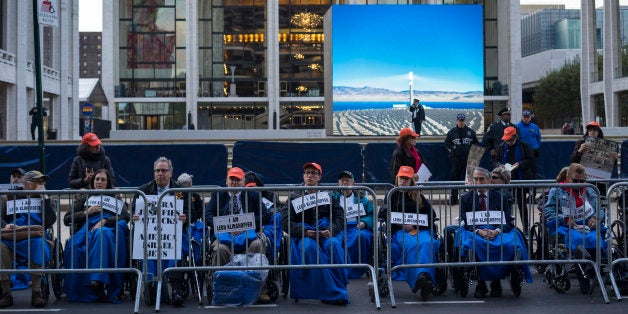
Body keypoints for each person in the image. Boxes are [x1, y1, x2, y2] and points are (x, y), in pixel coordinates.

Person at [457, 167, 532, 299]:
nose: (478, 182)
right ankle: (481, 284)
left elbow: (507, 220)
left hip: (497, 229)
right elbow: (466, 221)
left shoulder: (500, 197)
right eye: (475, 179)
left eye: (481, 179)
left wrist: (496, 231)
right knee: (476, 245)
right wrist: (479, 231)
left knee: (508, 245)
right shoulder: (465, 198)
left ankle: (496, 282)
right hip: (476, 230)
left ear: (489, 181)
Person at [282, 162, 348, 305]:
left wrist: (331, 229)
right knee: (309, 248)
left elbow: (340, 217)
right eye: (307, 173)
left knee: (334, 245)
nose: (310, 175)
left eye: (314, 173)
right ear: (303, 176)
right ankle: (331, 291)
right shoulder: (294, 196)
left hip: (326, 232)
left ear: (319, 177)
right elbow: (286, 222)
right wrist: (304, 232)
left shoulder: (329, 195)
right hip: (305, 234)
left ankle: (338, 286)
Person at [204, 167, 272, 303]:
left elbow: (265, 215)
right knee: (220, 250)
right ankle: (221, 290)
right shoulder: (218, 195)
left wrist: (245, 224)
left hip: (248, 234)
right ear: (226, 181)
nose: (234, 182)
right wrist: (227, 226)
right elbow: (207, 216)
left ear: (243, 182)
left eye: (238, 180)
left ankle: (260, 290)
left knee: (258, 245)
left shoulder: (253, 195)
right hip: (224, 235)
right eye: (232, 179)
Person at [62, 169, 130, 303]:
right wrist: (87, 212)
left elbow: (125, 216)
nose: (99, 182)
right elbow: (67, 219)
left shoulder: (115, 196)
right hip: (87, 230)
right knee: (75, 246)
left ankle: (97, 280)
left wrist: (106, 221)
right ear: (93, 182)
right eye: (97, 179)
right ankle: (89, 285)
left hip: (110, 229)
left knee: (101, 233)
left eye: (103, 180)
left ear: (108, 183)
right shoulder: (85, 197)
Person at [543, 163, 607, 294]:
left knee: (594, 239)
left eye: (582, 181)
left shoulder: (590, 190)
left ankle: (592, 270)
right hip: (567, 226)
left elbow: (600, 209)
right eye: (575, 180)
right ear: (567, 177)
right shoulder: (556, 190)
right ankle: (583, 278)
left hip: (589, 225)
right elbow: (549, 211)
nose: (579, 183)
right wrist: (564, 218)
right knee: (577, 240)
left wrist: (595, 217)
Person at [134, 157, 188, 307]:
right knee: (148, 254)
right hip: (150, 236)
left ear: (171, 173)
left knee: (176, 252)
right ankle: (150, 287)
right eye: (157, 171)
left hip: (173, 236)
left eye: (163, 171)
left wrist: (186, 217)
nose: (160, 174)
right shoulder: (143, 190)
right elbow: (134, 209)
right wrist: (135, 216)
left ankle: (176, 290)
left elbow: (193, 211)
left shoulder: (180, 192)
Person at [380, 165, 439, 301]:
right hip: (400, 231)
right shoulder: (391, 195)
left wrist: (415, 224)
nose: (403, 181)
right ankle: (423, 277)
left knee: (428, 243)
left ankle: (422, 278)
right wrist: (400, 224)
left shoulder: (418, 195)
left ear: (411, 180)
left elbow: (432, 216)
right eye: (401, 178)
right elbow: (382, 216)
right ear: (397, 179)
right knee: (413, 246)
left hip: (420, 229)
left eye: (406, 178)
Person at [0, 171, 57, 308]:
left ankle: (36, 293)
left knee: (38, 243)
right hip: (13, 237)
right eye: (37, 182)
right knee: (0, 247)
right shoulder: (9, 197)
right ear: (26, 184)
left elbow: (50, 221)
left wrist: (45, 198)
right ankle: (6, 293)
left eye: (42, 182)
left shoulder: (45, 197)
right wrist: (5, 225)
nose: (41, 184)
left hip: (35, 237)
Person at [330, 170, 374, 279]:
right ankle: (340, 269)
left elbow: (372, 215)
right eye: (342, 180)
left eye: (347, 180)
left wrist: (364, 222)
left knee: (362, 236)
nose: (345, 183)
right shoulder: (332, 198)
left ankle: (359, 268)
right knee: (334, 240)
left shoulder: (361, 199)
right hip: (338, 227)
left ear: (353, 183)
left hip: (356, 226)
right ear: (338, 183)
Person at [493, 126, 534, 233]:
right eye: (507, 140)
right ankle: (507, 227)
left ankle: (526, 228)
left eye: (510, 139)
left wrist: (520, 164)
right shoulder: (502, 146)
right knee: (506, 204)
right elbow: (495, 160)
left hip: (520, 178)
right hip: (505, 180)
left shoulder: (524, 146)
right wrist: (499, 165)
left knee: (521, 205)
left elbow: (530, 159)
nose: (509, 142)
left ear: (515, 137)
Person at [444, 113, 479, 205]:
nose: (461, 122)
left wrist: (473, 154)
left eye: (463, 120)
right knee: (455, 178)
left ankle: (469, 198)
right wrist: (453, 149)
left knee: (469, 178)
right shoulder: (452, 132)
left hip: (469, 159)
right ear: (457, 121)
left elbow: (476, 144)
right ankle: (454, 197)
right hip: (456, 159)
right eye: (460, 120)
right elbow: (447, 144)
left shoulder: (470, 132)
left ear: (465, 121)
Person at [516, 110, 541, 179]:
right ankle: (524, 188)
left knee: (534, 170)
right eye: (525, 117)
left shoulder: (535, 127)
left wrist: (536, 146)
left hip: (533, 151)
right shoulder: (517, 127)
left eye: (528, 117)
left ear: (530, 118)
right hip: (523, 152)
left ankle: (534, 189)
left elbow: (538, 139)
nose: (526, 118)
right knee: (525, 171)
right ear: (522, 117)